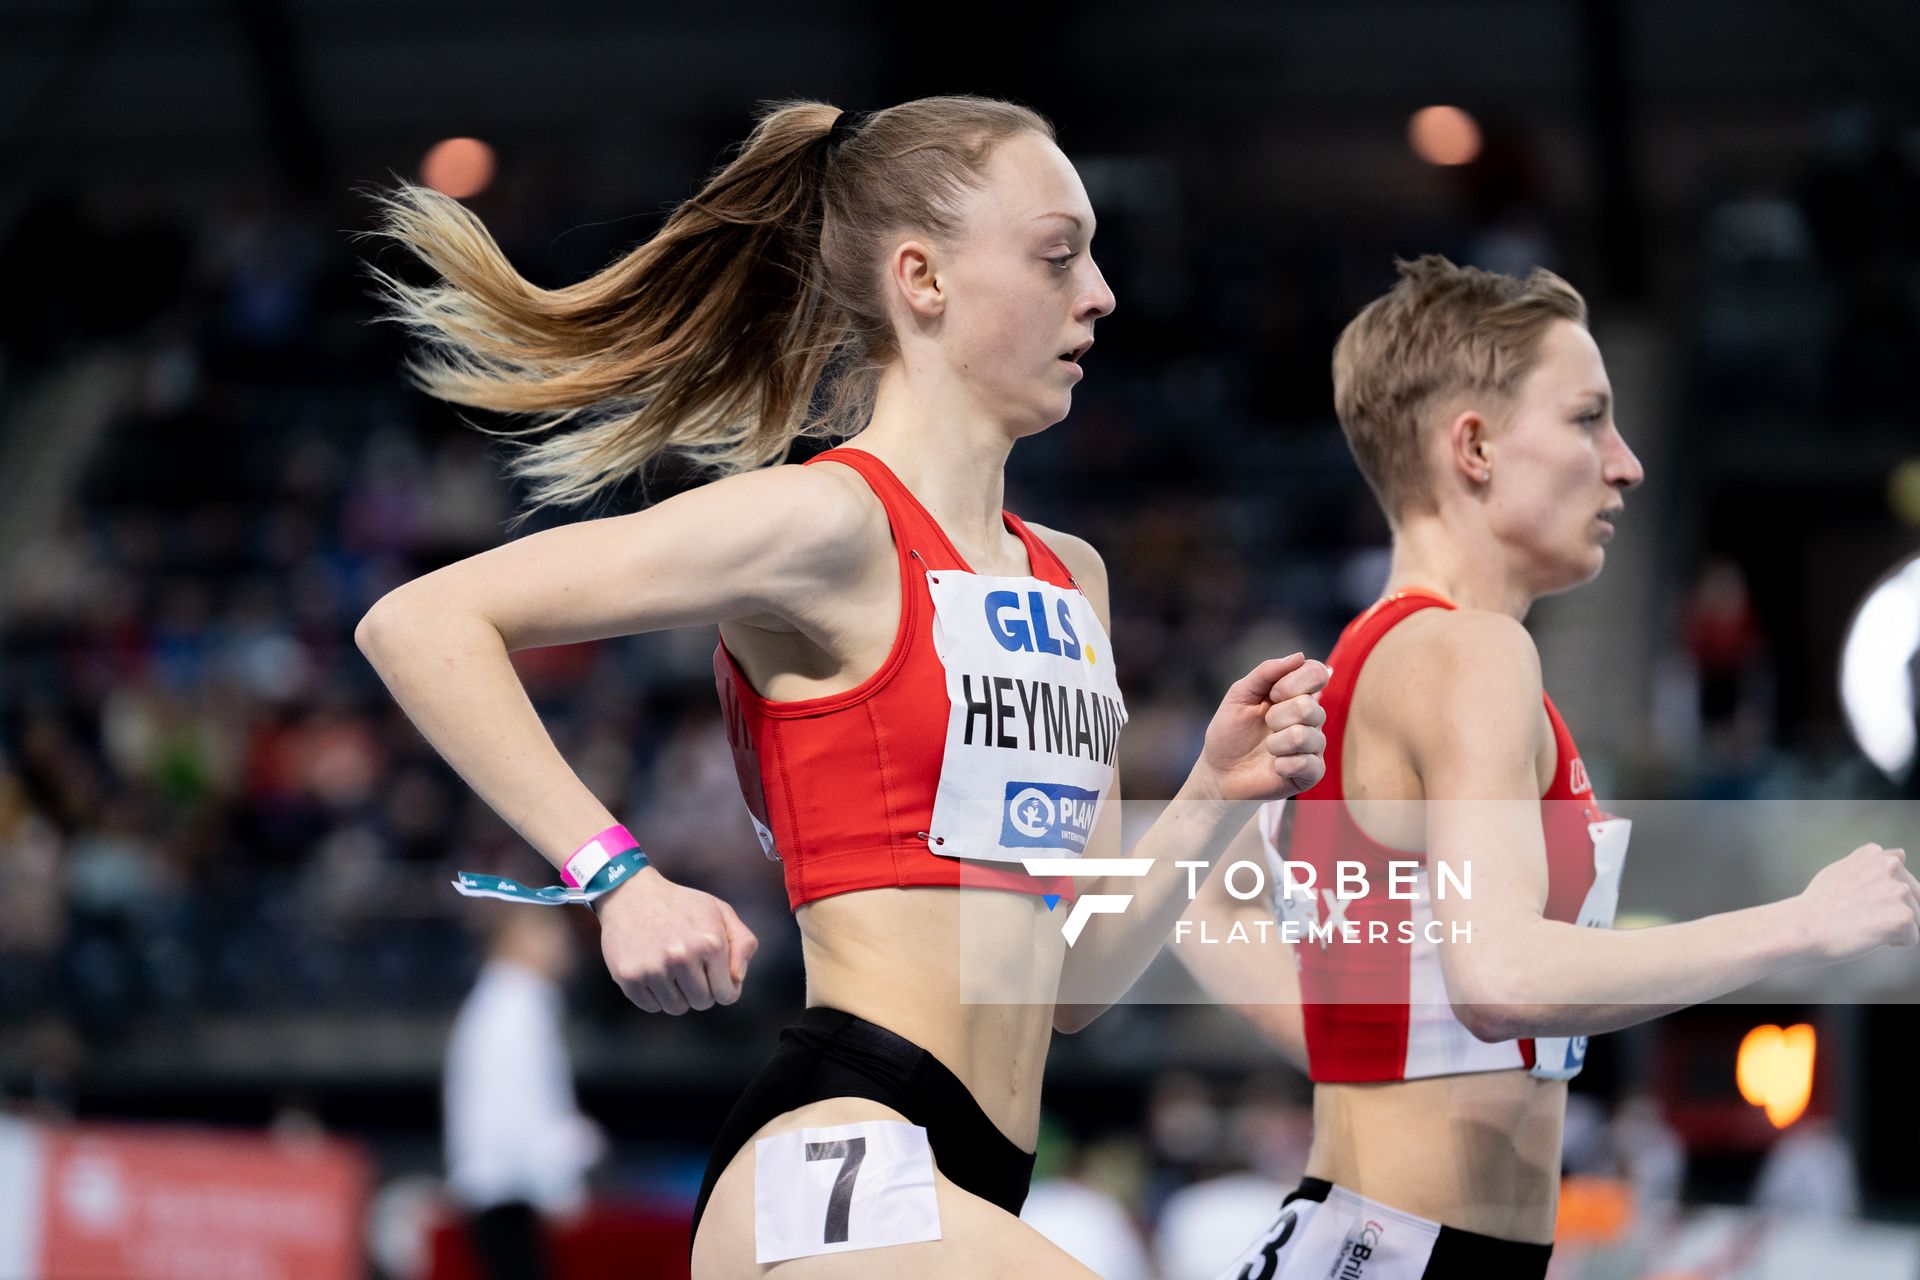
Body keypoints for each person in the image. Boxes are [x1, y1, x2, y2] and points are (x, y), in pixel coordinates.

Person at [354, 97, 1329, 1278]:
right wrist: (615, 876)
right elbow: (421, 619)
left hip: (976, 1173)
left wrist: (1214, 792)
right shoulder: (827, 520)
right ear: (921, 277)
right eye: (1058, 252)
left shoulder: (1075, 577)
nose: (1103, 292)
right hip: (838, 1142)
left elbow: (1073, 982)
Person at [1176, 256, 1919, 1279]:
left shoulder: (1363, 661)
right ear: (1473, 446)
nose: (1626, 463)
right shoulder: (1473, 652)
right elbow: (1503, 978)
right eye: (1587, 419)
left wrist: (1366, 1033)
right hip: (1410, 1249)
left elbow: (1205, 908)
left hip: (1364, 1236)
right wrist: (1801, 922)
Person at [444, 909, 605, 1280]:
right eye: (554, 937)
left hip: (498, 1188)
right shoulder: (519, 1005)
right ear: (521, 942)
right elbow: (528, 1103)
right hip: (511, 1193)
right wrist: (561, 1187)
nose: (566, 948)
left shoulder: (499, 1001)